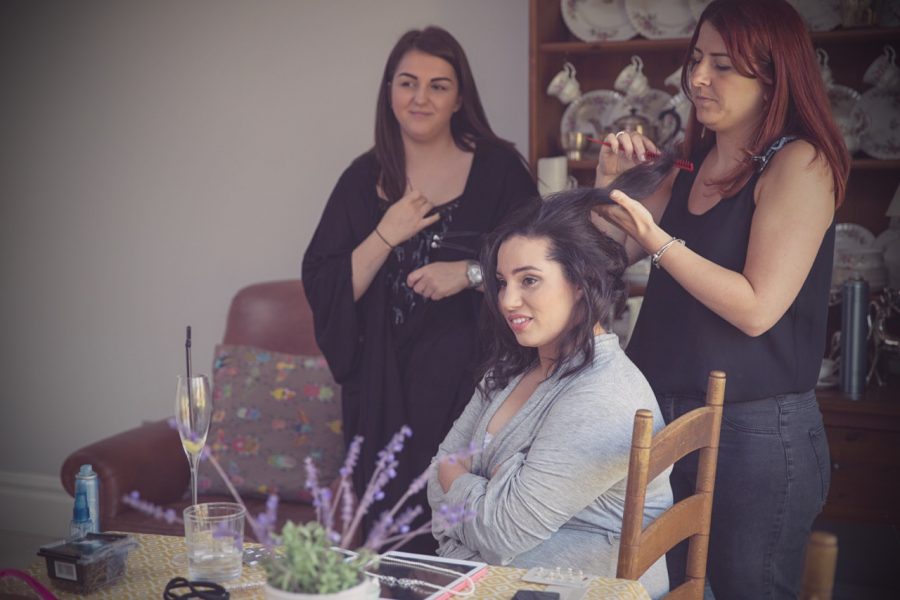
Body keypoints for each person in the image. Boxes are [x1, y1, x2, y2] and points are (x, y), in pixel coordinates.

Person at [591, 1, 850, 597]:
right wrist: (606, 187)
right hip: (662, 417)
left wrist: (657, 240)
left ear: (774, 78)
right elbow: (599, 266)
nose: (699, 78)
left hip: (754, 431)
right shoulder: (687, 165)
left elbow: (757, 308)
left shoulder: (801, 163)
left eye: (724, 65)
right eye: (697, 60)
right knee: (660, 591)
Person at [301, 25, 537, 552]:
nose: (420, 97)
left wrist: (471, 272)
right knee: (393, 545)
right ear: (389, 91)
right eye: (408, 83)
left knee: (465, 539)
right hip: (383, 397)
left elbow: (541, 263)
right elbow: (325, 285)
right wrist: (387, 232)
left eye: (438, 85)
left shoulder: (499, 170)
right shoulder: (361, 180)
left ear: (459, 98)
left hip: (472, 395)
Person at [426, 182, 674, 600]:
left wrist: (460, 480)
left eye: (530, 280)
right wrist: (486, 490)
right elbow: (436, 476)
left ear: (581, 282)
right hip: (505, 582)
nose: (508, 300)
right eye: (502, 282)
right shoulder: (512, 370)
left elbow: (501, 532)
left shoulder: (600, 396)